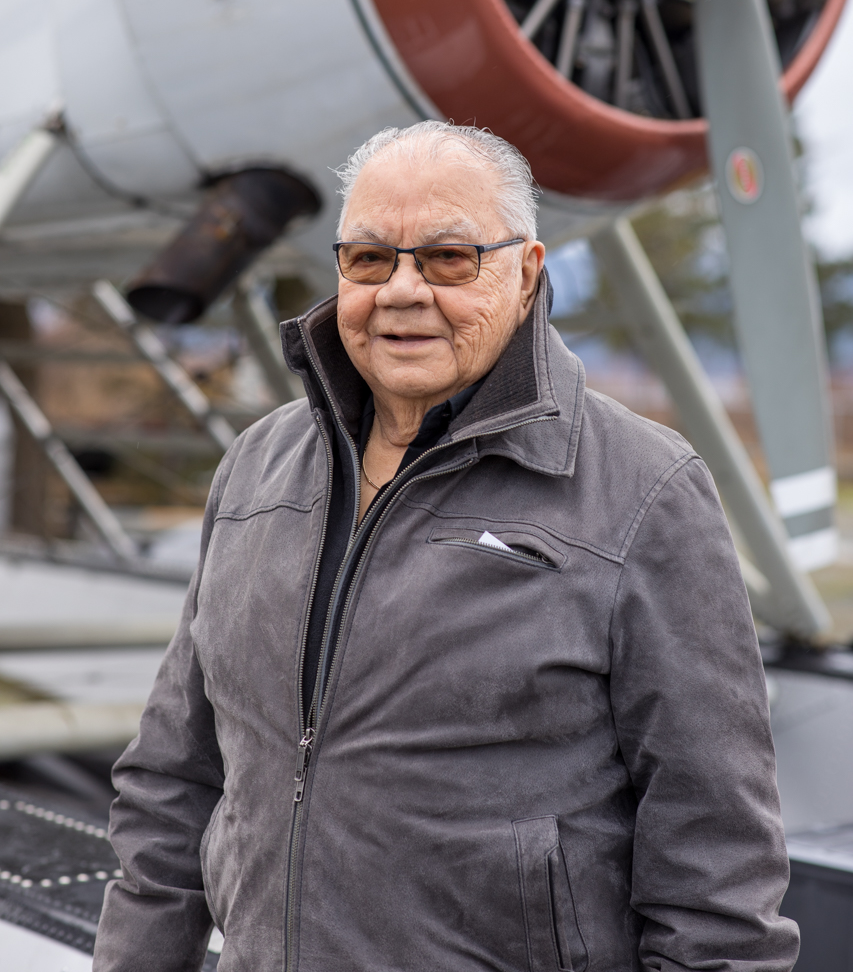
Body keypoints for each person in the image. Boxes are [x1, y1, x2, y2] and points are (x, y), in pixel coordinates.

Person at [93, 122, 798, 972]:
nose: (401, 291)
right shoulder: (255, 467)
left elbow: (717, 868)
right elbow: (173, 784)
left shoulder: (644, 490)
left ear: (527, 270)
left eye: (448, 259)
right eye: (367, 258)